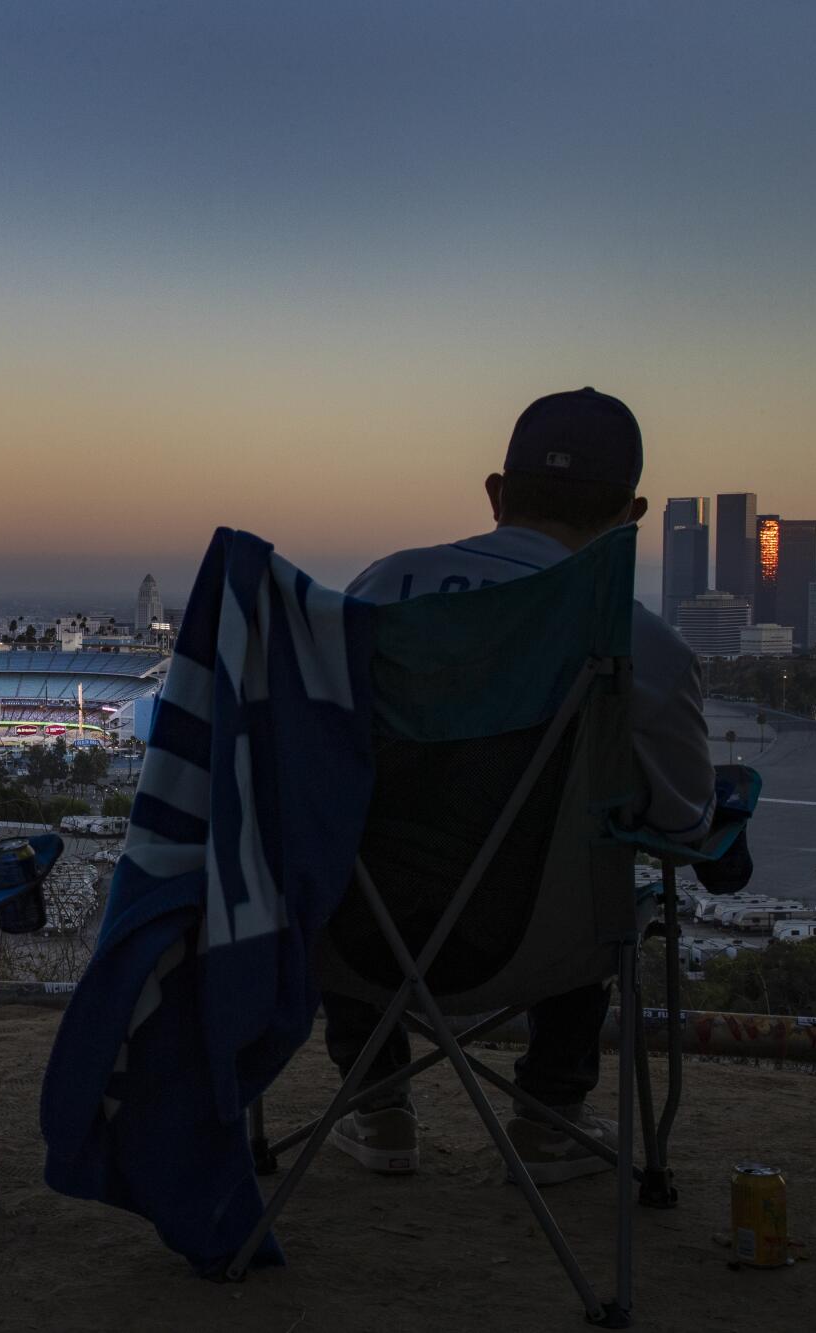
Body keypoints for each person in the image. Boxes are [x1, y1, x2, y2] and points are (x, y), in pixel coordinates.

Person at [324, 387, 713, 1185]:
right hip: (540, 951)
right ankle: (548, 1115)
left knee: (355, 830)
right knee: (602, 864)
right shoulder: (647, 648)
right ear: (631, 514)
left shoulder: (374, 593)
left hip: (358, 944)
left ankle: (380, 1108)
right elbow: (681, 825)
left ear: (497, 494)